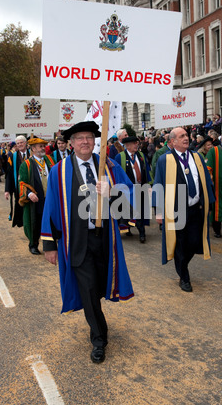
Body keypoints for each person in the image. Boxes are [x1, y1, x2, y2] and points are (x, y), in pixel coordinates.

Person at [40, 121, 134, 364]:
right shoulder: (59, 171)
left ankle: (98, 320)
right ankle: (99, 339)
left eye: (89, 137)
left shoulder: (109, 167)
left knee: (102, 283)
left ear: (95, 142)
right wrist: (50, 245)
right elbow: (50, 208)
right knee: (89, 289)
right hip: (77, 242)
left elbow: (132, 195)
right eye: (79, 138)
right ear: (71, 143)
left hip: (106, 240)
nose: (84, 141)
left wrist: (111, 192)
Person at [153, 127, 215, 292]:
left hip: (196, 208)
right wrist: (159, 211)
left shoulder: (196, 157)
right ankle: (184, 277)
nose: (186, 138)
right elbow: (158, 185)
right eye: (182, 136)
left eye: (186, 135)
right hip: (176, 209)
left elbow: (206, 181)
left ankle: (182, 265)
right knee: (180, 244)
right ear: (172, 141)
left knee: (194, 243)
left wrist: (209, 202)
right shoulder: (164, 160)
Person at [18, 137, 55, 255]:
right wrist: (29, 193)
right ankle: (33, 244)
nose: (43, 148)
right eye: (40, 146)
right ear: (33, 149)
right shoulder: (26, 165)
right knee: (36, 223)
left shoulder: (50, 160)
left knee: (51, 222)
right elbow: (21, 183)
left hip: (50, 198)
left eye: (44, 146)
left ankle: (50, 245)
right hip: (37, 200)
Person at [115, 134, 151, 243]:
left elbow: (146, 170)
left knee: (140, 212)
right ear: (127, 145)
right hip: (126, 190)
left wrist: (148, 184)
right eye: (134, 143)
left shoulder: (141, 155)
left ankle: (142, 233)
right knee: (127, 211)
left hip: (140, 188)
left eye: (137, 143)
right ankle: (128, 229)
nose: (137, 145)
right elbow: (116, 174)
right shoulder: (120, 157)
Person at [5, 135, 31, 226]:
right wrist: (7, 190)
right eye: (18, 143)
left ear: (25, 143)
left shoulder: (32, 154)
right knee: (21, 205)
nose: (20, 145)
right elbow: (9, 174)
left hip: (31, 186)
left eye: (21, 142)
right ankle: (23, 223)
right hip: (19, 187)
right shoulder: (13, 157)